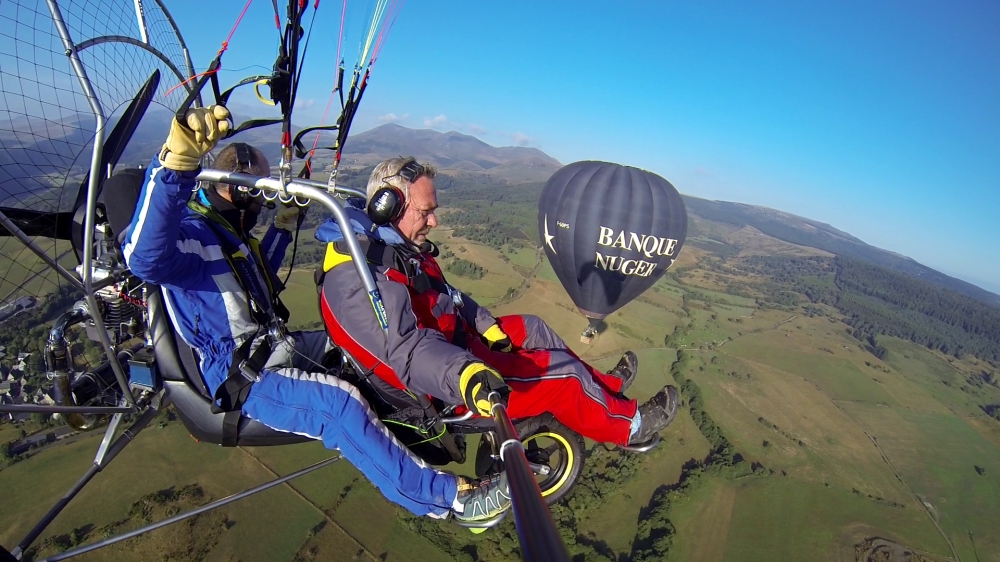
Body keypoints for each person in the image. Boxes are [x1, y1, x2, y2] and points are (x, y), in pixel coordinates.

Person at [122, 106, 510, 525]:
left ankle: (431, 424)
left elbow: (256, 275)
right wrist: (174, 166)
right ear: (237, 189)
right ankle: (451, 501)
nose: (266, 199)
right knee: (339, 405)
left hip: (269, 346)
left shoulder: (226, 234)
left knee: (358, 347)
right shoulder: (192, 236)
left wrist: (284, 226)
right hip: (237, 373)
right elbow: (144, 258)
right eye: (261, 188)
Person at [316, 156, 679, 448]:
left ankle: (604, 388)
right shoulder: (358, 279)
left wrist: (483, 321)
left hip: (456, 343)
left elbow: (447, 295)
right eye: (425, 211)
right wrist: (465, 374)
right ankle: (629, 426)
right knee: (563, 376)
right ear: (388, 206)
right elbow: (406, 350)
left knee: (535, 327)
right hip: (448, 385)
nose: (434, 220)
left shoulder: (394, 249)